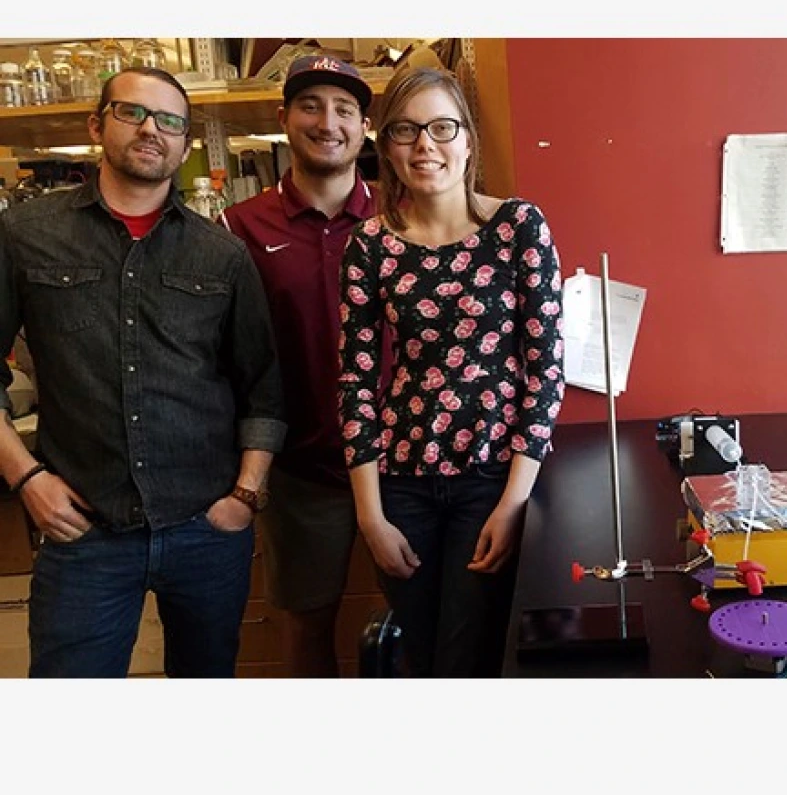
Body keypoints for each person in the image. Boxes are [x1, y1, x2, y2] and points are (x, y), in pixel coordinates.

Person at [0, 67, 286, 678]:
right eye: (133, 112)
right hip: (83, 531)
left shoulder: (221, 253)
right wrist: (26, 479)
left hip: (206, 527)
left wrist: (244, 495)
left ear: (185, 145)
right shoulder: (25, 234)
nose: (151, 129)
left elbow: (262, 387)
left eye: (170, 121)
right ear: (97, 124)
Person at [338, 66, 565, 677]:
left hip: (488, 481)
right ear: (384, 147)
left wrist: (514, 501)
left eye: (442, 127)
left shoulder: (519, 228)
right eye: (405, 131)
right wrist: (370, 516)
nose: (424, 146)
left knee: (470, 657)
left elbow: (545, 373)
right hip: (401, 483)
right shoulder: (369, 245)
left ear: (468, 139)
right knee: (427, 653)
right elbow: (356, 382)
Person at [222, 55, 383, 677]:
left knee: (422, 615)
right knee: (306, 626)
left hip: (398, 462)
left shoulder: (399, 218)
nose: (328, 122)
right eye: (311, 105)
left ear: (363, 126)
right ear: (283, 117)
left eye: (344, 109)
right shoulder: (240, 226)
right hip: (299, 471)